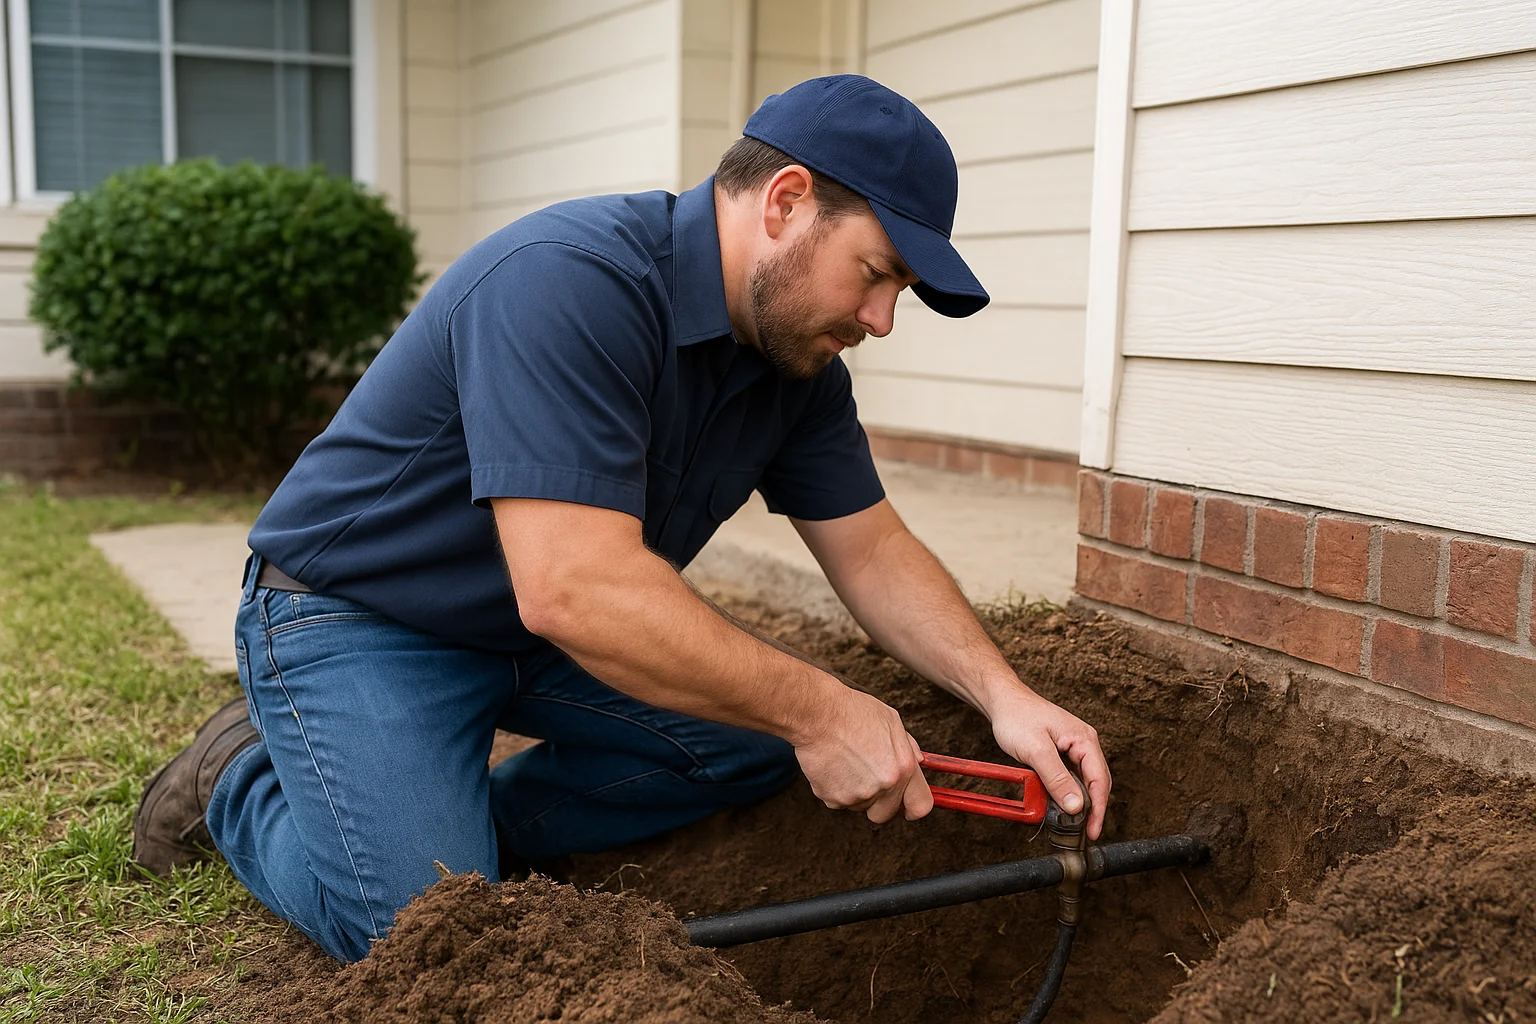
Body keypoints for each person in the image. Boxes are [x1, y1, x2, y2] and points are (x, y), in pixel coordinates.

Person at [131, 75, 1111, 963]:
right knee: (430, 936)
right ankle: (240, 784)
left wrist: (1004, 696)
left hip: (537, 633)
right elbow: (576, 586)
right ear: (786, 202)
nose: (884, 318)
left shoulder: (794, 365)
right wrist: (824, 709)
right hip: (362, 618)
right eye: (878, 272)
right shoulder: (570, 281)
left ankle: (452, 826)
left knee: (751, 742)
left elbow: (875, 549)